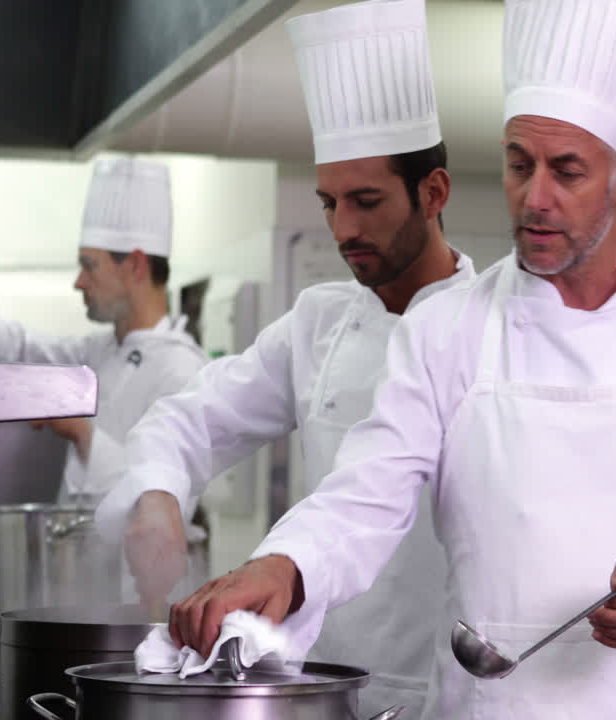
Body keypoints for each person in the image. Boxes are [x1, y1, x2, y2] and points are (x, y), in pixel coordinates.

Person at [167, 0, 616, 717]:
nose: (535, 198)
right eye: (518, 164)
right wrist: (286, 563)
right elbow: (367, 493)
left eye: (567, 171)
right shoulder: (448, 327)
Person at [92, 0, 475, 715]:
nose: (343, 228)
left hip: (450, 693)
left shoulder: (495, 328)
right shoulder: (319, 324)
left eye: (366, 201)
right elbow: (189, 420)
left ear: (434, 192)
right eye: (329, 203)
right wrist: (157, 493)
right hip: (327, 687)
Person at [0, 157, 210, 601]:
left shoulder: (182, 369)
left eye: (89, 266)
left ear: (134, 266)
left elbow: (171, 497)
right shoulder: (101, 351)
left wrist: (81, 432)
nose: (79, 282)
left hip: (140, 604)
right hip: (84, 590)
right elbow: (31, 350)